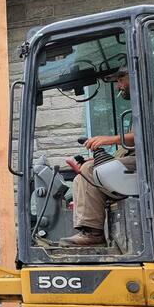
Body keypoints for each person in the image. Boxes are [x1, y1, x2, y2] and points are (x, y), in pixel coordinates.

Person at [60, 66, 135, 247]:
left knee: (90, 170)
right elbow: (132, 144)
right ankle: (88, 230)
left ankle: (94, 234)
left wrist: (109, 140)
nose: (118, 86)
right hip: (141, 159)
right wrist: (104, 157)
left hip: (153, 160)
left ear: (134, 75)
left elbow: (145, 138)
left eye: (120, 80)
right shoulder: (140, 106)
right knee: (82, 175)